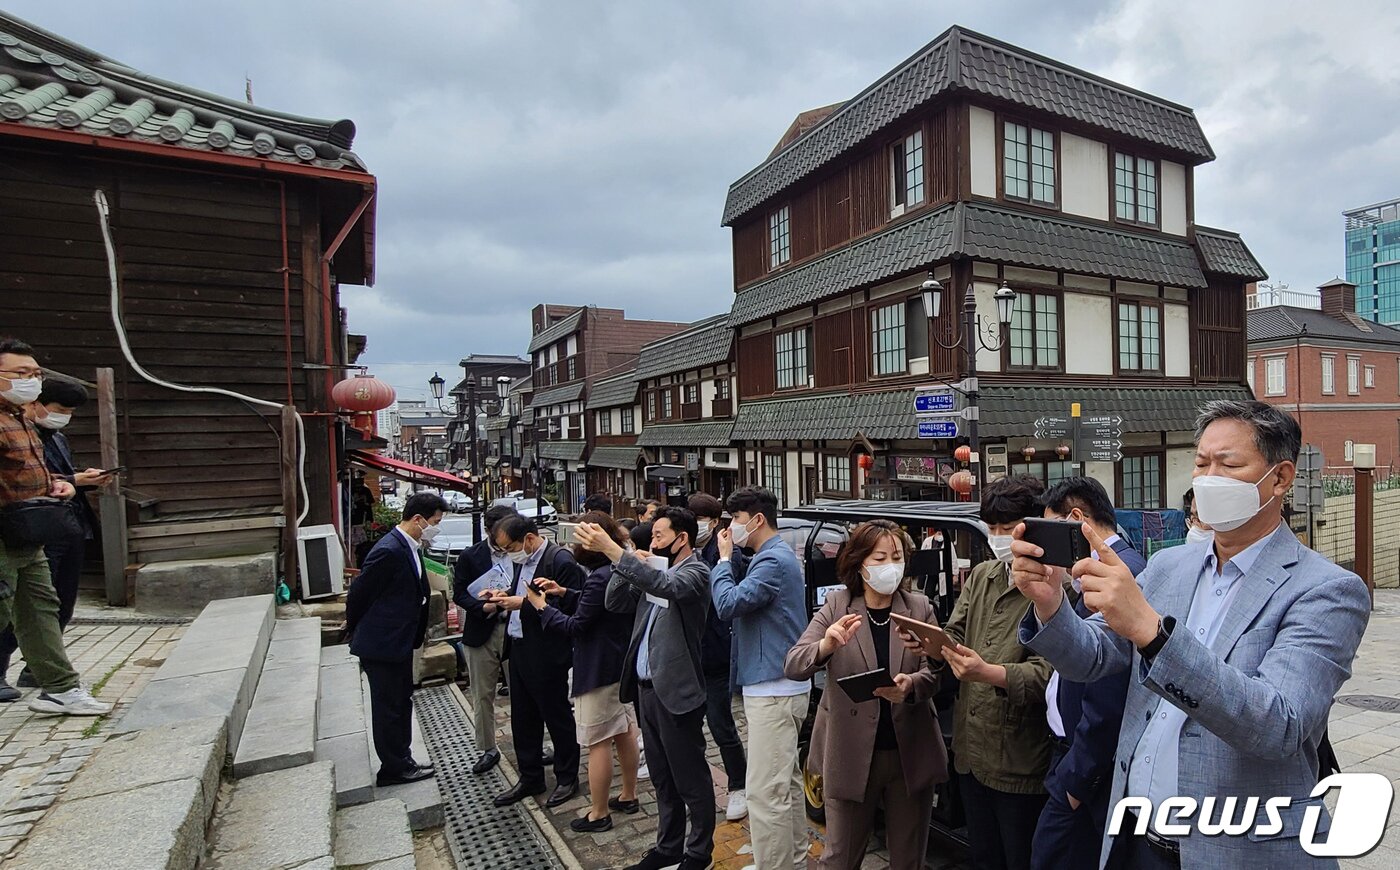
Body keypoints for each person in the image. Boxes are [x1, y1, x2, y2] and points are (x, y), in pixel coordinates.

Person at [1012, 400, 1371, 869]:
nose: (1208, 478)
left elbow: (1278, 724)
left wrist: (1153, 634)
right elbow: (1092, 657)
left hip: (1238, 848)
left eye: (1230, 464)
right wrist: (1049, 603)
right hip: (1138, 837)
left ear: (1280, 478)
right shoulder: (1168, 566)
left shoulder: (1326, 589)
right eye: (1201, 463)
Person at [906, 474, 1052, 870]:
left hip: (1021, 759)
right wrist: (931, 646)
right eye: (993, 528)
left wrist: (990, 673)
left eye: (1008, 528)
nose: (999, 537)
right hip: (971, 753)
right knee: (983, 855)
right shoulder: (985, 575)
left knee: (1021, 856)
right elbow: (955, 631)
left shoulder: (1055, 585)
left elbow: (1052, 678)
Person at [785, 520, 947, 869]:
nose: (891, 565)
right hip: (849, 751)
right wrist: (827, 644)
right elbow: (794, 664)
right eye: (880, 558)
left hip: (908, 752)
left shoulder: (919, 607)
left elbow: (936, 673)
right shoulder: (837, 604)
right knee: (841, 856)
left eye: (897, 556)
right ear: (859, 563)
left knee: (908, 857)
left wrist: (912, 685)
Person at [583, 506, 713, 870]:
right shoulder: (654, 570)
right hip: (644, 689)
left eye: (658, 536)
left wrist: (617, 552)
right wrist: (626, 567)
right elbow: (614, 602)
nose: (652, 543)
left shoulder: (696, 572)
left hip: (677, 690)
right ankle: (668, 846)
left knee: (690, 777)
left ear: (681, 538)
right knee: (660, 775)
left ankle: (700, 852)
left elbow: (667, 588)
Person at [1031, 477, 1145, 870]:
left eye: (1050, 532)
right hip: (1071, 754)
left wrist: (1077, 782)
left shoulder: (1122, 576)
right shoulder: (1092, 574)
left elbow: (1109, 691)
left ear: (1077, 520)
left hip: (1086, 764)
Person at [0, 339, 110, 716]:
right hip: (5, 531)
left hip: (28, 531)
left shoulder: (20, 419)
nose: (30, 380)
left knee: (40, 608)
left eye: (35, 374)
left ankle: (59, 689)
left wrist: (58, 484)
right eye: (20, 374)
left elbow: (30, 472)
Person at [711, 487, 809, 869]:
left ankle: (775, 863)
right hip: (778, 684)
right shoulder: (773, 556)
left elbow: (727, 604)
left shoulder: (771, 561)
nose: (731, 529)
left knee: (765, 792)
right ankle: (792, 859)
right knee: (787, 782)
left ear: (756, 520)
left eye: (735, 521)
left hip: (774, 687)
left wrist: (722, 562)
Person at [526, 511, 640, 833]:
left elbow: (577, 626)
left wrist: (541, 607)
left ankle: (599, 812)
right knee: (623, 730)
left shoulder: (599, 575)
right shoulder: (618, 568)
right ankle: (629, 794)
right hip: (620, 663)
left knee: (598, 741)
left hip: (597, 667)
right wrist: (564, 593)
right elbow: (598, 607)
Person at [485, 515, 587, 809]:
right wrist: (504, 597)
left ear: (529, 538)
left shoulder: (560, 561)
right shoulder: (522, 561)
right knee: (523, 717)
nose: (509, 553)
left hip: (548, 651)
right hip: (519, 646)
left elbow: (568, 608)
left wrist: (523, 604)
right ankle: (530, 776)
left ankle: (567, 777)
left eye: (511, 546)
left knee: (557, 716)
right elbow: (522, 593)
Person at [345, 492, 444, 786]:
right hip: (383, 643)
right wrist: (356, 628)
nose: (435, 528)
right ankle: (393, 767)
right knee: (388, 707)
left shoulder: (411, 546)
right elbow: (359, 594)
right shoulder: (389, 550)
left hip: (399, 641)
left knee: (401, 702)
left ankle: (403, 758)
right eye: (434, 522)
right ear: (418, 519)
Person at [689, 492, 748, 822]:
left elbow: (721, 597)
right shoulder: (689, 550)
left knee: (720, 722)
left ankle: (738, 786)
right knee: (689, 724)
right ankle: (697, 789)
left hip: (718, 651)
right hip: (692, 652)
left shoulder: (727, 554)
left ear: (713, 522)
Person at [451, 503, 519, 774]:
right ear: (489, 530)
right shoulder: (471, 556)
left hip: (516, 628)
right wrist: (483, 607)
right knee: (482, 695)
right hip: (483, 629)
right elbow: (459, 593)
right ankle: (488, 748)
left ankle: (531, 745)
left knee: (524, 693)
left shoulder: (522, 553)